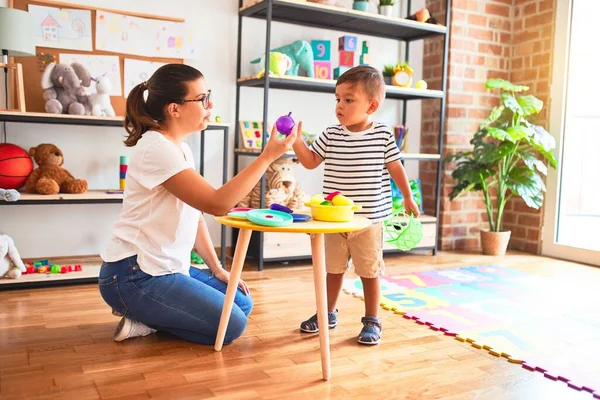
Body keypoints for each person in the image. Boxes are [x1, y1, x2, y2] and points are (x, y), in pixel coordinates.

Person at [98, 64, 296, 344]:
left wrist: (217, 269)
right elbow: (218, 204)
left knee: (241, 302)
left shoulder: (180, 148)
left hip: (167, 268)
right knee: (231, 324)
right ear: (174, 109)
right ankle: (145, 316)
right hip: (134, 275)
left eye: (209, 95)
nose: (210, 104)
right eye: (202, 98)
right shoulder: (156, 149)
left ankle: (147, 317)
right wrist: (266, 158)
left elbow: (197, 215)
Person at [292, 66, 420, 345]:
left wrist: (408, 196)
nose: (340, 106)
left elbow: (396, 168)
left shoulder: (383, 135)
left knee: (369, 272)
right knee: (333, 269)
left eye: (349, 100)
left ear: (371, 106)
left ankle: (372, 320)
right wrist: (296, 141)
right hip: (335, 219)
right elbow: (311, 161)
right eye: (337, 99)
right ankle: (327, 313)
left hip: (368, 220)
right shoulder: (331, 135)